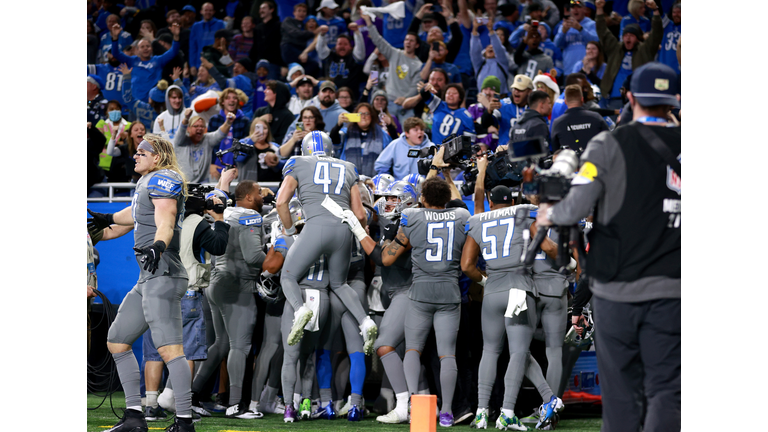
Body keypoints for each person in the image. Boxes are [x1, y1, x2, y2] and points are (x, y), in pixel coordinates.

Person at [536, 62, 681, 432]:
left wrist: (548, 210)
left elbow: (574, 209)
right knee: (667, 391)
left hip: (616, 289)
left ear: (630, 98)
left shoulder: (608, 144)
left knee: (620, 394)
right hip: (674, 290)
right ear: (674, 100)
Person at [342, 176, 471, 427]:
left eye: (394, 198)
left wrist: (358, 230)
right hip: (449, 291)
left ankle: (407, 405)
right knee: (445, 355)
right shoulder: (460, 216)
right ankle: (442, 410)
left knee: (395, 347)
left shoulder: (411, 219)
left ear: (418, 199)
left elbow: (385, 259)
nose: (388, 202)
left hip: (414, 292)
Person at [88, 134, 196, 432]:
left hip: (163, 273)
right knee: (117, 340)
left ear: (157, 157)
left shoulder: (163, 179)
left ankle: (184, 422)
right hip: (147, 278)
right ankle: (135, 417)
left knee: (170, 350)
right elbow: (133, 216)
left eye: (141, 151)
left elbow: (166, 219)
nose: (134, 155)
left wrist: (158, 245)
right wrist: (107, 218)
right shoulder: (146, 183)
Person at [461, 184, 564, 431]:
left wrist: (485, 280)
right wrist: (569, 263)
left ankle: (482, 413)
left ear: (490, 201)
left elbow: (466, 266)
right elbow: (549, 247)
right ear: (512, 199)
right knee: (518, 352)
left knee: (490, 351)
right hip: (518, 289)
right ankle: (507, 412)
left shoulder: (478, 220)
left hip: (492, 291)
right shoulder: (523, 212)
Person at [275, 131, 378, 355]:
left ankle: (300, 309)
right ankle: (365, 321)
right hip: (344, 231)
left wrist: (292, 231)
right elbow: (360, 214)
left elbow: (281, 201)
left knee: (288, 276)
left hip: (315, 227)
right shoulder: (348, 166)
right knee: (340, 284)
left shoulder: (298, 162)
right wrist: (358, 233)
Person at [190, 178, 266, 420]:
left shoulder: (226, 212)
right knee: (240, 346)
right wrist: (281, 255)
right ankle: (234, 404)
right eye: (260, 192)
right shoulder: (249, 216)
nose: (264, 196)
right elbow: (254, 256)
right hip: (237, 285)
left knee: (221, 344)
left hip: (215, 283)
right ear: (251, 197)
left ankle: (191, 395)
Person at [596, 0, 663, 110]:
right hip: (614, 98)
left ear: (638, 38)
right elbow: (602, 32)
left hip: (638, 98)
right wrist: (599, 9)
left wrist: (655, 11)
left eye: (631, 35)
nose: (627, 38)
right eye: (625, 35)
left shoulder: (645, 49)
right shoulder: (615, 48)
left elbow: (657, 33)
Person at [363, 12, 423, 125]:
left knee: (408, 134)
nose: (408, 42)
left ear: (417, 45)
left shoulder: (419, 65)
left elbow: (414, 87)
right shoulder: (394, 53)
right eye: (406, 40)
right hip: (388, 102)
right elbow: (378, 40)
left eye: (411, 41)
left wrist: (404, 99)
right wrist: (368, 22)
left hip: (406, 105)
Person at [110, 22, 180, 102]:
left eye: (148, 46)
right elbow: (116, 53)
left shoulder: (158, 60)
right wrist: (115, 38)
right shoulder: (132, 61)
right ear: (137, 50)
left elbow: (173, 51)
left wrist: (176, 36)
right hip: (136, 103)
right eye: (142, 47)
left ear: (152, 49)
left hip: (153, 102)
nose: (145, 48)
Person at [330, 103, 393, 177]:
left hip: (374, 180)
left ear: (371, 116)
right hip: (348, 179)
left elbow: (392, 151)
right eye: (360, 113)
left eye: (366, 113)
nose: (363, 116)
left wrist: (390, 126)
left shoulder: (382, 134)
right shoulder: (346, 132)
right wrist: (338, 124)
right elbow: (333, 140)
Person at [173, 108, 233, 183]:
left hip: (203, 184)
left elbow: (220, 134)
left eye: (202, 126)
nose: (200, 128)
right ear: (188, 129)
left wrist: (228, 123)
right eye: (196, 126)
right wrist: (186, 118)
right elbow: (181, 131)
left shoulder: (207, 139)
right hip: (183, 183)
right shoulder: (181, 141)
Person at [551, 84, 610, 151]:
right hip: (595, 160)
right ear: (582, 99)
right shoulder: (596, 118)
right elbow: (609, 141)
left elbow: (555, 150)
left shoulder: (558, 123)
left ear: (565, 102)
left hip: (570, 160)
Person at [209, 88, 252, 176]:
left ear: (238, 101)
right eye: (228, 98)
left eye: (234, 98)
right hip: (215, 168)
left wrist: (238, 166)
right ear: (222, 102)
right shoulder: (214, 120)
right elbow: (209, 144)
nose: (232, 100)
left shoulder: (245, 121)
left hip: (235, 168)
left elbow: (244, 146)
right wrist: (211, 164)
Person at [553, 0, 599, 76]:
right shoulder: (564, 25)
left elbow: (596, 41)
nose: (575, 10)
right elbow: (556, 45)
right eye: (573, 8)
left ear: (584, 9)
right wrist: (563, 32)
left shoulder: (591, 24)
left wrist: (580, 29)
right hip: (568, 70)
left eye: (578, 7)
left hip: (587, 69)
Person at [470, 17, 511, 101]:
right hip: (483, 100)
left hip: (500, 100)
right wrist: (475, 29)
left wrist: (491, 31)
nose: (491, 48)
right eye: (488, 47)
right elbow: (474, 51)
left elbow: (499, 49)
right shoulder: (480, 65)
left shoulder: (502, 62)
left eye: (493, 48)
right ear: (484, 52)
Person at [493, 74, 534, 148]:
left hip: (527, 152)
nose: (516, 92)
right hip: (504, 152)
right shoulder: (503, 105)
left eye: (520, 90)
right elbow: (487, 122)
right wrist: (488, 111)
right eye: (514, 88)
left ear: (529, 92)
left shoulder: (534, 107)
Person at [249, 1, 283, 79]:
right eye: (260, 8)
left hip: (273, 64)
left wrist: (283, 65)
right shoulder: (258, 28)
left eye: (264, 8)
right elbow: (255, 47)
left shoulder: (278, 26)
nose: (261, 10)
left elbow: (280, 46)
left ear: (271, 10)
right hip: (259, 64)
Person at [188, 3, 225, 74]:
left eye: (210, 10)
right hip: (200, 65)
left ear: (214, 12)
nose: (208, 12)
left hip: (216, 64)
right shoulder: (195, 26)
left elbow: (223, 44)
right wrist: (192, 65)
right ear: (201, 11)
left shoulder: (220, 24)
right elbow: (193, 47)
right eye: (206, 10)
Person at [658, 1, 681, 75]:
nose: (676, 15)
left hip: (679, 73)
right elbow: (659, 10)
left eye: (679, 12)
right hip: (663, 70)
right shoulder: (667, 25)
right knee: (660, 87)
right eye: (674, 12)